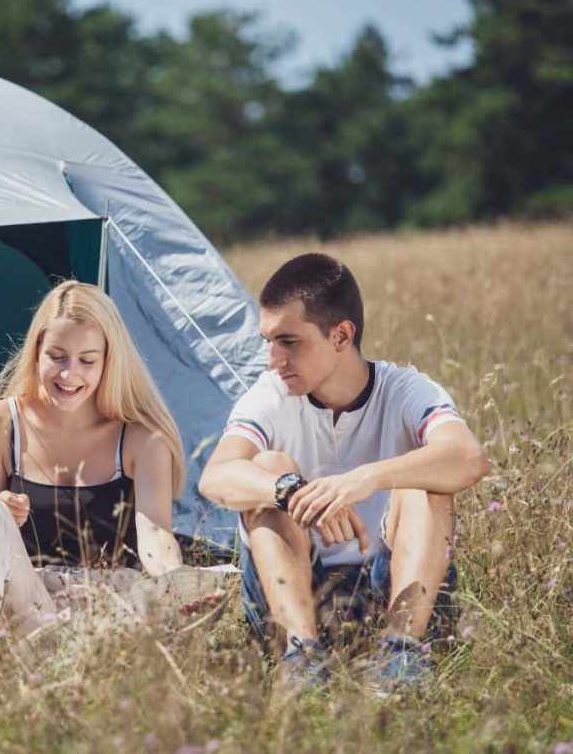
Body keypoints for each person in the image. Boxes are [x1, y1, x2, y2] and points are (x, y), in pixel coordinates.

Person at [199, 253, 489, 693]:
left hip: (393, 589)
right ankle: (303, 661)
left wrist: (365, 478)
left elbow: (469, 458)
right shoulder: (271, 395)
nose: (273, 360)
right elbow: (215, 477)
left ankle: (401, 656)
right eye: (268, 341)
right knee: (267, 470)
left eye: (289, 341)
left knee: (426, 476)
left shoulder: (405, 388)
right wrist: (292, 492)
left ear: (341, 336)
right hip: (297, 595)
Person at [0, 281, 192, 636]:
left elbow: (155, 533)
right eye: (57, 356)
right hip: (26, 601)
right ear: (36, 353)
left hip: (106, 605)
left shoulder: (142, 438)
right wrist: (2, 512)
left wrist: (175, 584)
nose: (69, 374)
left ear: (110, 361)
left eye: (87, 361)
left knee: (163, 607)